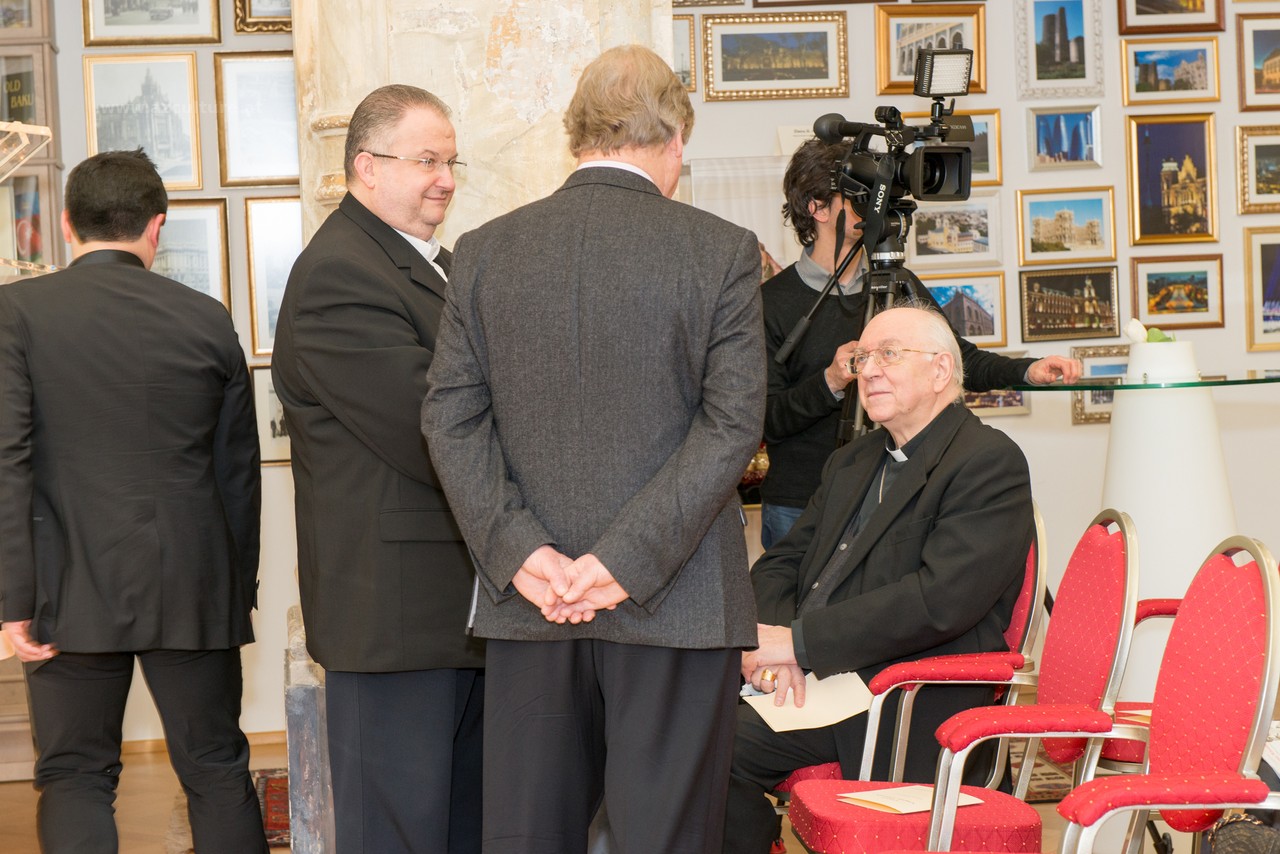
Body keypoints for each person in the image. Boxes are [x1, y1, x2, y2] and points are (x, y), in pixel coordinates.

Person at [422, 45, 766, 854]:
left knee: (530, 835)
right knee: (667, 838)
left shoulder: (484, 250)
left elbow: (450, 420)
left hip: (533, 601)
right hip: (678, 602)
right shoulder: (720, 249)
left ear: (575, 134)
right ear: (675, 137)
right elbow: (732, 426)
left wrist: (522, 552)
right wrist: (622, 563)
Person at [0, 149, 265, 854]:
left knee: (75, 775)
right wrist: (236, 587)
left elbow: (8, 460)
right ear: (157, 225)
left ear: (67, 225)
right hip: (193, 582)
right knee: (215, 767)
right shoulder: (208, 318)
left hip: (67, 583)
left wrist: (13, 597)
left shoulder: (17, 312)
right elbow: (237, 471)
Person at [723, 304, 1036, 854]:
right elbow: (781, 561)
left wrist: (798, 644)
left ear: (941, 370)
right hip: (813, 674)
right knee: (664, 721)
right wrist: (775, 645)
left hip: (901, 692)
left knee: (707, 751)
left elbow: (939, 602)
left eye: (888, 354)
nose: (868, 370)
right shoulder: (853, 459)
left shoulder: (988, 461)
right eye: (863, 357)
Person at [271, 85, 484, 854]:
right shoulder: (340, 274)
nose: (445, 179)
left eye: (451, 162)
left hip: (455, 613)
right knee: (396, 836)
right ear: (366, 166)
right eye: (426, 161)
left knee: (466, 830)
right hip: (392, 620)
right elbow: (431, 428)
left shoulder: (436, 264)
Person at [759, 138, 1081, 548]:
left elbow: (955, 360)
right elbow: (766, 419)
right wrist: (831, 381)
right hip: (800, 503)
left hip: (889, 492)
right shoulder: (770, 302)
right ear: (818, 209)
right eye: (857, 195)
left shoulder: (897, 285)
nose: (872, 205)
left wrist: (1027, 370)